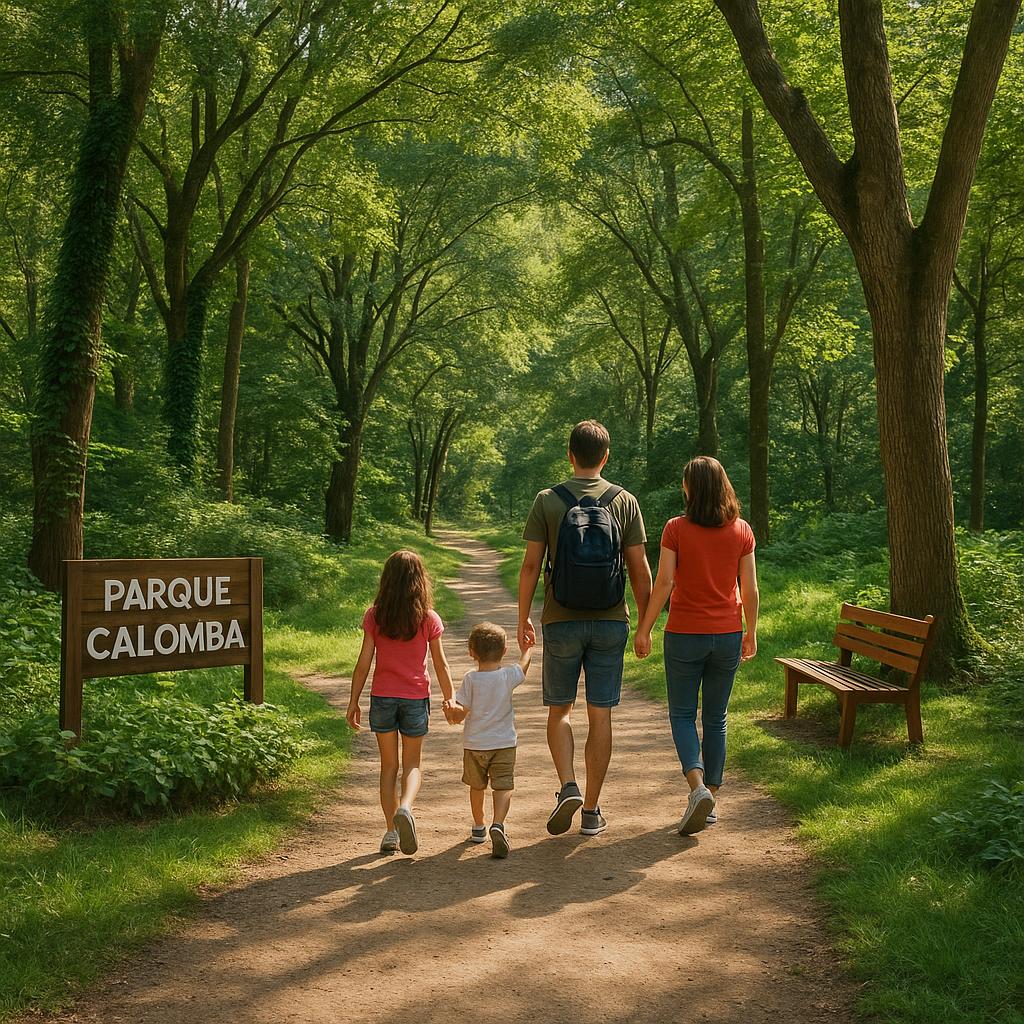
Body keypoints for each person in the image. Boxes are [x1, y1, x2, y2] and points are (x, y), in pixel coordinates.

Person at [518, 420, 652, 837]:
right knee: (601, 713)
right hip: (611, 621)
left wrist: (522, 616)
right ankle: (592, 810)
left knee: (560, 710)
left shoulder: (547, 500)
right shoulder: (625, 501)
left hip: (561, 620)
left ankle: (568, 786)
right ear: (606, 456)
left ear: (569, 454)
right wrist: (646, 624)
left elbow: (530, 566)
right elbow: (640, 570)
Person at [634, 456, 759, 836]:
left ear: (691, 489)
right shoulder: (742, 531)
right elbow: (749, 589)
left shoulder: (675, 529)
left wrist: (645, 628)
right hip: (726, 635)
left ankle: (697, 787)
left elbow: (665, 583)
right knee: (716, 717)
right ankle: (712, 798)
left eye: (684, 483)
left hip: (685, 634)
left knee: (683, 715)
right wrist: (750, 631)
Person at [346, 550, 456, 856]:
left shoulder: (375, 616)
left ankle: (391, 832)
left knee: (388, 767)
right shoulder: (428, 618)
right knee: (412, 764)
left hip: (382, 697)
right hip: (415, 698)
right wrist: (451, 698)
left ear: (387, 580)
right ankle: (405, 808)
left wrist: (353, 701)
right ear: (420, 581)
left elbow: (363, 663)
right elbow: (441, 663)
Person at [446, 621, 531, 859]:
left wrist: (452, 710)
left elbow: (462, 712)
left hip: (475, 745)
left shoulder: (470, 679)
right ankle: (499, 824)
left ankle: (478, 826)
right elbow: (523, 667)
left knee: (477, 786)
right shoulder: (507, 676)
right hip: (504, 743)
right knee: (503, 786)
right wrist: (528, 650)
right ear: (504, 651)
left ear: (471, 652)